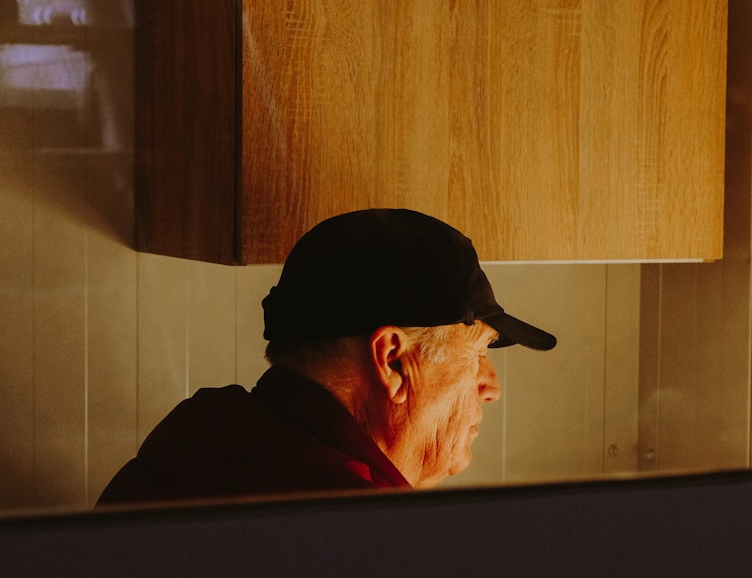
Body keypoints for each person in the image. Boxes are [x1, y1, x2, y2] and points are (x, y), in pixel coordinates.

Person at [96, 208, 556, 506]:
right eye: (475, 352)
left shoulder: (205, 436)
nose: (491, 387)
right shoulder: (352, 540)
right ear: (393, 362)